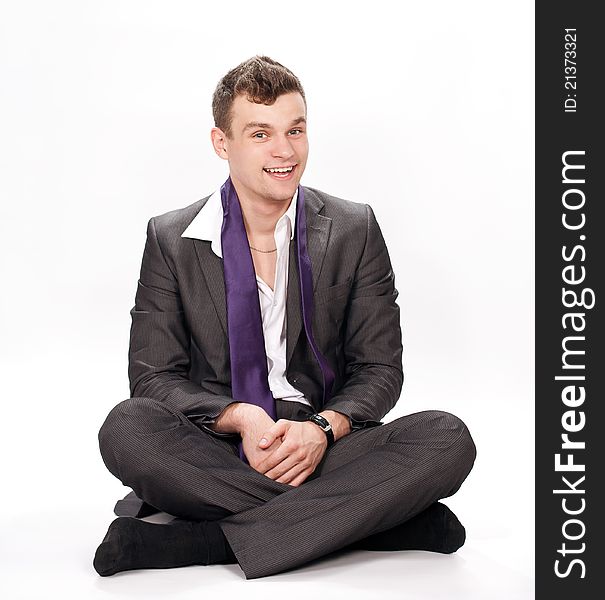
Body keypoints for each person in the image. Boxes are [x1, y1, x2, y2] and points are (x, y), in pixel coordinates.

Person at [93, 55, 477, 580]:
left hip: (323, 445)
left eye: (296, 131)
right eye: (261, 134)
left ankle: (202, 542)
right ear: (221, 143)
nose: (285, 151)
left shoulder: (352, 227)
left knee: (446, 438)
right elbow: (152, 378)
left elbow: (381, 370)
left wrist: (323, 427)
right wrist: (239, 418)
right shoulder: (170, 238)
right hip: (219, 447)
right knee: (127, 429)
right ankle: (371, 520)